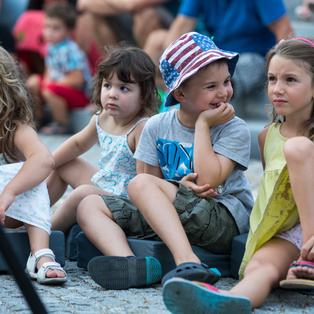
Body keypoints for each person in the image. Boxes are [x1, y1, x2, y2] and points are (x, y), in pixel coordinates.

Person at [77, 32, 254, 290]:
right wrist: (177, 188)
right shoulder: (156, 126)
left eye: (226, 81)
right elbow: (145, 185)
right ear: (180, 94)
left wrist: (204, 125)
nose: (224, 92)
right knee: (89, 204)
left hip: (221, 219)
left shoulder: (233, 128)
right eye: (211, 86)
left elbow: (209, 181)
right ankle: (132, 264)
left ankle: (188, 262)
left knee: (140, 185)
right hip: (172, 214)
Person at [162, 37, 314, 313]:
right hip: (291, 232)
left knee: (298, 147)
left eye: (290, 80)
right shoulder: (267, 136)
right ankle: (226, 302)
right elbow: (275, 199)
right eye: (271, 79)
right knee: (260, 266)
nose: (277, 89)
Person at [48, 45, 159, 234]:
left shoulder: (142, 128)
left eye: (124, 88)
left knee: (81, 193)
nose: (112, 94)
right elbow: (77, 144)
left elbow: (145, 183)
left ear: (143, 95)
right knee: (64, 164)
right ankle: (30, 215)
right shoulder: (102, 117)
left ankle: (46, 231)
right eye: (108, 85)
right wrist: (45, 164)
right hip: (107, 185)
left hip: (127, 203)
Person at [0, 45, 67, 284]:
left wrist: (10, 190)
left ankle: (40, 255)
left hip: (8, 213)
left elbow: (44, 159)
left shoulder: (16, 128)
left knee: (32, 171)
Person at [144, 0, 294, 104]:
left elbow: (284, 30)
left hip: (256, 55)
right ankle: (149, 99)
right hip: (216, 54)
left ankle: (205, 102)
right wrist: (167, 65)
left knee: (241, 64)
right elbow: (182, 25)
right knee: (157, 41)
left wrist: (280, 71)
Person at [26, 2, 91, 134]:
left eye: (56, 28)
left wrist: (51, 85)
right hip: (57, 89)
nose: (49, 32)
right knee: (33, 82)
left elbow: (77, 79)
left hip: (79, 95)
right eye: (47, 27)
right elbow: (49, 71)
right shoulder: (50, 47)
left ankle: (61, 123)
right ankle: (40, 117)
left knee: (49, 89)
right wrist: (47, 83)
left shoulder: (70, 50)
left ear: (69, 31)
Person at [76, 0, 181, 54]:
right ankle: (114, 67)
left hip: (172, 30)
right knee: (93, 15)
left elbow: (133, 4)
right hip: (129, 23)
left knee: (145, 14)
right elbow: (83, 3)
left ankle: (142, 67)